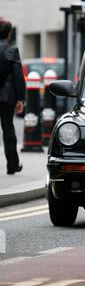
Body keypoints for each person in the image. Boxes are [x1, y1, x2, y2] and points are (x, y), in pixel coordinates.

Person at [0, 19, 25, 174]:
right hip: (6, 97)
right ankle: (12, 165)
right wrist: (21, 99)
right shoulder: (12, 51)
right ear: (9, 33)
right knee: (8, 129)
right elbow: (18, 77)